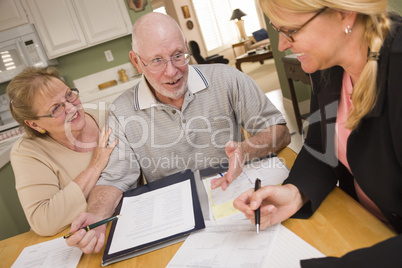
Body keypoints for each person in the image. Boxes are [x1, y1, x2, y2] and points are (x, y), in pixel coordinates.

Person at [66, 12, 291, 253]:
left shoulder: (228, 79)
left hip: (237, 206)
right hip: (173, 223)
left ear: (186, 48)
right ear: (136, 61)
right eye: (157, 61)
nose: (172, 71)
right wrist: (97, 217)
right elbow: (113, 179)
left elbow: (279, 131)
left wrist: (245, 150)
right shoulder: (121, 111)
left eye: (177, 55)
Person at [234, 0, 402, 266]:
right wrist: (294, 192)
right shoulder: (328, 67)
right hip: (361, 226)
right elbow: (320, 149)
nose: (281, 45)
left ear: (345, 14)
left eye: (290, 31)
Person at [7, 67, 118, 236]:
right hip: (74, 239)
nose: (72, 108)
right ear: (35, 124)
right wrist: (95, 166)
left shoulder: (109, 118)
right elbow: (44, 221)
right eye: (55, 109)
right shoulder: (28, 152)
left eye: (69, 95)